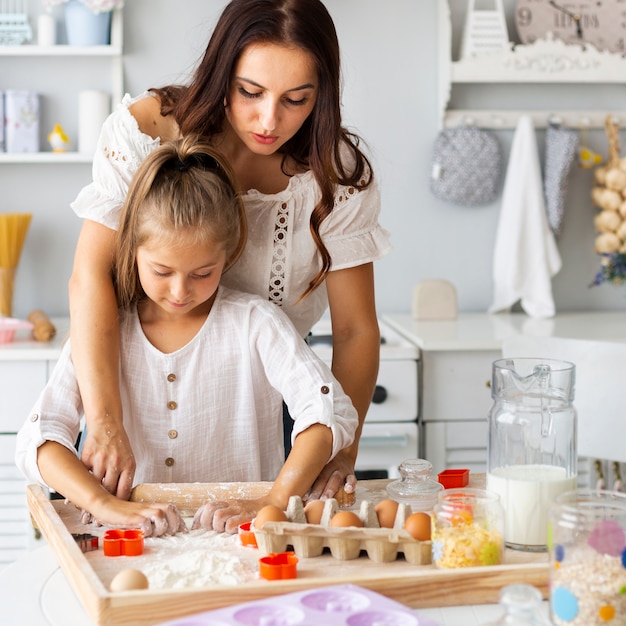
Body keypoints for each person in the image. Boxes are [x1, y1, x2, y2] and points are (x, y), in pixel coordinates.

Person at [68, 0, 391, 507]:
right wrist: (105, 421)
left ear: (321, 95)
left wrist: (341, 452)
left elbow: (355, 330)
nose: (269, 120)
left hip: (266, 403)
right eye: (250, 92)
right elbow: (91, 278)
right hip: (139, 390)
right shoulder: (146, 133)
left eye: (297, 99)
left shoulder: (337, 177)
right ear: (223, 73)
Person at [15, 136, 358, 536]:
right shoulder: (106, 333)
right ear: (133, 249)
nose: (180, 291)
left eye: (202, 273)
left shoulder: (256, 324)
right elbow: (37, 442)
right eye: (162, 272)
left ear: (227, 255)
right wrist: (104, 505)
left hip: (239, 544)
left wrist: (273, 502)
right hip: (131, 544)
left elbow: (329, 413)